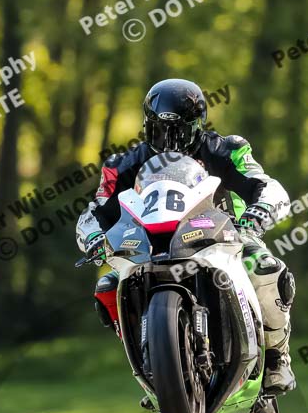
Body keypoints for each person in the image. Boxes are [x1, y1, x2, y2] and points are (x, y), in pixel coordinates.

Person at [76, 78, 296, 395]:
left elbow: (264, 184)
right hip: (149, 243)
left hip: (224, 236)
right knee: (107, 286)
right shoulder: (121, 165)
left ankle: (277, 357)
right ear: (146, 125)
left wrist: (260, 210)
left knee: (264, 266)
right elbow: (96, 209)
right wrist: (94, 236)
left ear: (197, 125)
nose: (168, 139)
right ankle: (153, 366)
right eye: (159, 129)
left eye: (177, 130)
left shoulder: (226, 149)